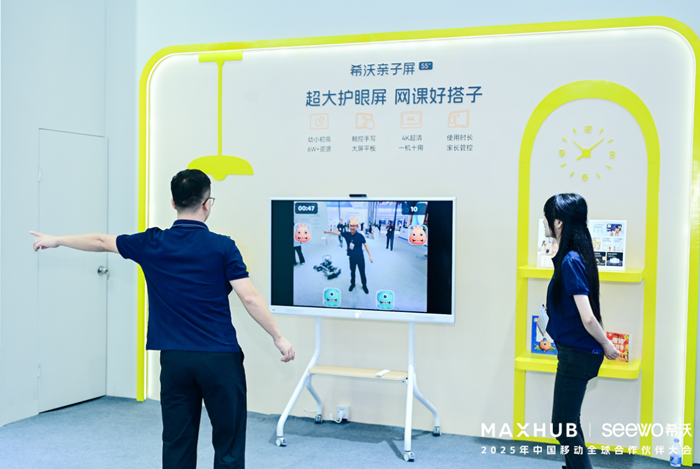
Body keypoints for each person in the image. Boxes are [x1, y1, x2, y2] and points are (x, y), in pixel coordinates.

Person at [30, 169, 295, 469]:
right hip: (219, 358)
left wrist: (57, 240)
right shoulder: (223, 246)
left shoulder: (152, 242)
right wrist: (278, 337)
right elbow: (250, 298)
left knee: (177, 442)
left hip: (175, 360)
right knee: (229, 443)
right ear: (207, 204)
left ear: (173, 203)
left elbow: (101, 241)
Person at [542, 193, 619, 469]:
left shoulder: (570, 260)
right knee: (568, 423)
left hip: (577, 355)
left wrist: (607, 344)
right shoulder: (573, 257)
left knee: (563, 425)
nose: (544, 222)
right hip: (574, 352)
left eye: (547, 218)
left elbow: (588, 317)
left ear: (558, 223)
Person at [324, 217, 373, 293]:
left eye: (354, 226)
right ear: (349, 226)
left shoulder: (360, 236)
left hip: (360, 258)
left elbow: (366, 245)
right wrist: (328, 232)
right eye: (351, 226)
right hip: (352, 258)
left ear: (356, 227)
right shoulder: (347, 234)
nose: (352, 228)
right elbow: (338, 233)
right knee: (352, 272)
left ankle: (364, 285)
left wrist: (370, 256)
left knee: (362, 273)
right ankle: (352, 284)